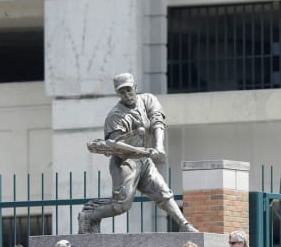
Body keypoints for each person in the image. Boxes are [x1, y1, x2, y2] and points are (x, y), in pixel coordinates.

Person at [79, 73, 197, 234]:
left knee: (163, 192)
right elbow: (118, 147)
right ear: (117, 94)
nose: (127, 95)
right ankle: (89, 214)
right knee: (122, 205)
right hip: (124, 162)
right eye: (122, 92)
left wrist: (158, 145)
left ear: (135, 87)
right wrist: (144, 151)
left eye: (129, 90)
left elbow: (157, 121)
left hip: (145, 160)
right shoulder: (115, 116)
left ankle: (184, 225)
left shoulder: (148, 100)